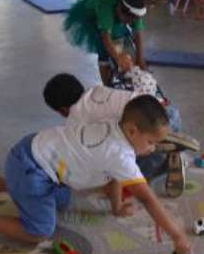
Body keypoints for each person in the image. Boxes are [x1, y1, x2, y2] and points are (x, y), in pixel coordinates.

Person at [0, 95, 192, 254]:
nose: (151, 149)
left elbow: (115, 176)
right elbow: (149, 200)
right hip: (31, 168)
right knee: (39, 231)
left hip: (32, 152)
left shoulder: (115, 126)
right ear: (132, 130)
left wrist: (116, 206)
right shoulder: (119, 154)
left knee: (62, 201)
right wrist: (178, 236)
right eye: (150, 143)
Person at [42, 72, 192, 189]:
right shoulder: (96, 90)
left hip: (147, 127)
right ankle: (167, 148)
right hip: (164, 112)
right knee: (135, 142)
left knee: (126, 166)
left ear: (62, 110)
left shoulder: (75, 118)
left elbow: (85, 152)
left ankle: (163, 158)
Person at [63, 0, 147, 86]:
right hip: (93, 19)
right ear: (119, 9)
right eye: (128, 20)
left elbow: (138, 33)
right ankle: (106, 85)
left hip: (114, 18)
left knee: (124, 41)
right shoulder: (105, 7)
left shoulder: (134, 11)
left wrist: (140, 57)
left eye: (133, 21)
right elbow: (106, 39)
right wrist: (118, 59)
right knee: (104, 51)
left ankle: (122, 75)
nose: (130, 23)